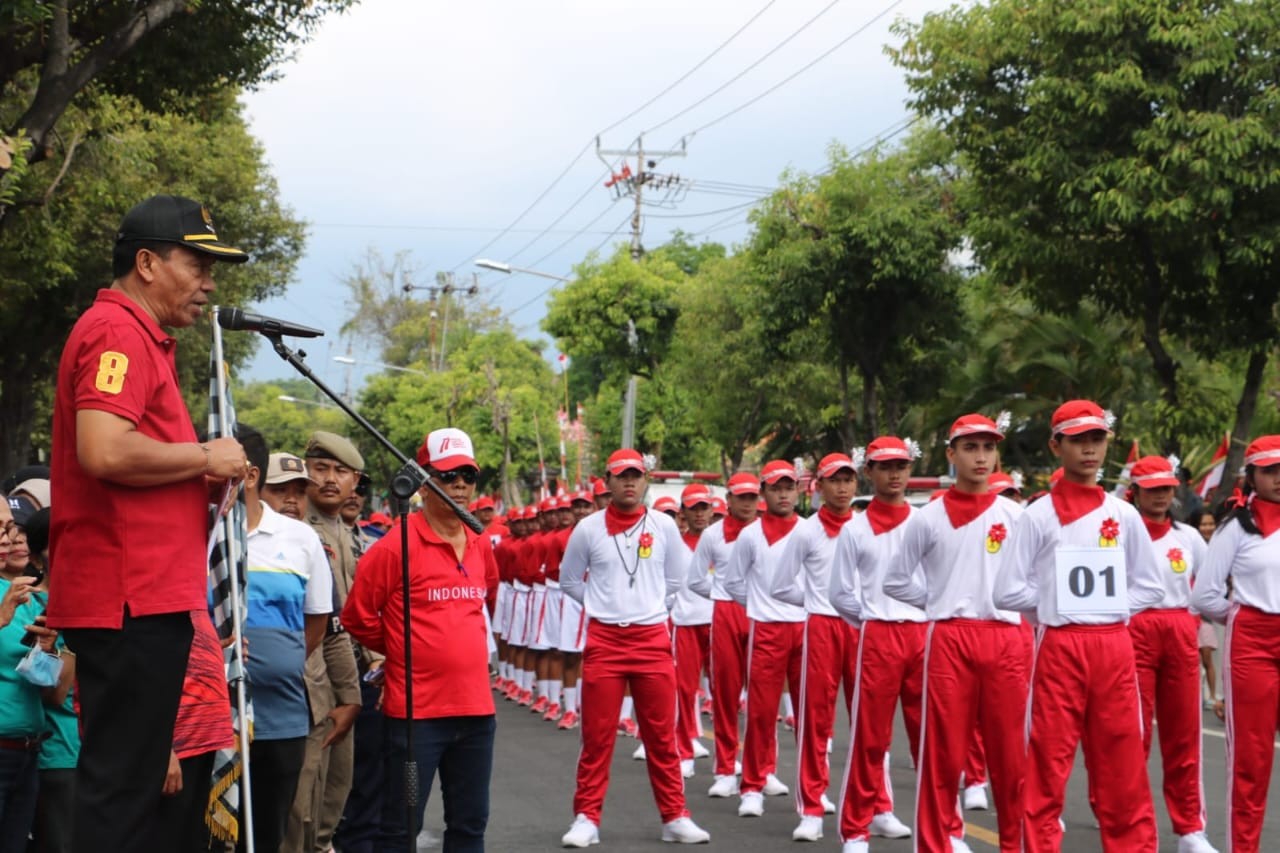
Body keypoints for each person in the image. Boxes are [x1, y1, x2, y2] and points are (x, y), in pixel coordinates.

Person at [46, 194, 249, 853]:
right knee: (124, 797)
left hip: (142, 597)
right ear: (147, 263)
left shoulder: (141, 338)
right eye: (197, 263)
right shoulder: (117, 333)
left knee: (127, 793)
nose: (209, 282)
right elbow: (103, 448)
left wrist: (199, 474)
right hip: (130, 598)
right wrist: (204, 456)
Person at [996, 400, 1164, 852]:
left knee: (1123, 767)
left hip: (1113, 647)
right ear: (1057, 446)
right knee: (1046, 765)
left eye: (1097, 439)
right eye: (1078, 441)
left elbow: (1151, 586)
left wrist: (1111, 607)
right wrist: (1054, 602)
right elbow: (1007, 592)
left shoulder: (1125, 514)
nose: (1089, 450)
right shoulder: (1036, 515)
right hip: (1059, 646)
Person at [342, 427, 499, 851]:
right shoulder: (395, 547)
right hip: (416, 719)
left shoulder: (481, 544)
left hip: (477, 714)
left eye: (468, 475)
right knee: (399, 829)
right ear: (424, 481)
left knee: (469, 827)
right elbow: (356, 617)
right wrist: (402, 647)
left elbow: (487, 600)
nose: (461, 485)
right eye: (449, 476)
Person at [884, 413, 1028, 853]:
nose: (980, 457)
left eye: (988, 448)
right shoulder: (928, 518)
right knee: (942, 755)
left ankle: (1016, 843)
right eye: (970, 447)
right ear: (951, 455)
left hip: (1004, 638)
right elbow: (895, 580)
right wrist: (936, 600)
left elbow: (1034, 579)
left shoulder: (1015, 515)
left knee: (1011, 759)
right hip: (948, 638)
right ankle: (936, 842)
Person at [559, 449, 711, 847]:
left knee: (662, 736)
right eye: (621, 476)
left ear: (646, 480)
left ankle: (675, 816)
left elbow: (677, 579)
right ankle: (586, 818)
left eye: (636, 475)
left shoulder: (663, 525)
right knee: (597, 736)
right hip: (605, 640)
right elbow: (570, 581)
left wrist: (650, 608)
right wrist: (603, 606)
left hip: (651, 639)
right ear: (607, 482)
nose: (629, 482)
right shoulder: (588, 529)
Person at [829, 437, 926, 853]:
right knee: (871, 738)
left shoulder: (927, 521)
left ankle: (944, 830)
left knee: (933, 739)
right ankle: (856, 829)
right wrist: (869, 617)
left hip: (923, 636)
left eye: (902, 466)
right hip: (878, 636)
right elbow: (839, 593)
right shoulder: (854, 528)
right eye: (886, 467)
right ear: (870, 472)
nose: (895, 474)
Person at [239, 433, 335, 853]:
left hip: (281, 717)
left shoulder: (300, 539)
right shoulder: (195, 533)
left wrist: (281, 659)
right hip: (212, 719)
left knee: (269, 829)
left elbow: (316, 619)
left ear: (248, 474)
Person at [1121, 455, 1219, 853]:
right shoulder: (1118, 534)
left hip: (1180, 630)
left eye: (1166, 488)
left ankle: (1190, 829)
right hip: (1134, 630)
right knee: (1133, 734)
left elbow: (1208, 585)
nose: (1161, 495)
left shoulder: (1189, 538)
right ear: (1136, 492)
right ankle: (1128, 821)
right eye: (1153, 489)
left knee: (1184, 735)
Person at [770, 453, 869, 841]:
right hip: (822, 627)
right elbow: (781, 585)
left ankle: (876, 804)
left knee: (868, 720)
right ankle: (811, 807)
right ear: (819, 487)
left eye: (848, 480)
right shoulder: (806, 532)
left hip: (861, 627)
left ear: (856, 485)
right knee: (815, 720)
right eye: (834, 480)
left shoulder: (865, 528)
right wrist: (815, 601)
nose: (842, 488)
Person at [1190, 435, 1280, 853]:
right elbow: (1205, 594)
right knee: (1251, 759)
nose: (1279, 479)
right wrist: (1242, 617)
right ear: (1252, 476)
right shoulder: (1236, 526)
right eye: (1270, 471)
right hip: (1253, 644)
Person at [286, 432, 365, 853]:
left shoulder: (342, 529)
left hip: (344, 676)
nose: (330, 480)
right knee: (304, 808)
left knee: (335, 795)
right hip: (310, 681)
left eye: (340, 471)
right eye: (320, 469)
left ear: (355, 481)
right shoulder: (300, 530)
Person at [721, 460, 804, 819]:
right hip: (767, 628)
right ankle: (752, 785)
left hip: (806, 628)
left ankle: (811, 791)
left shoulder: (810, 530)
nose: (783, 494)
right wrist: (758, 604)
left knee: (810, 714)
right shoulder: (750, 535)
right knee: (761, 712)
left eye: (789, 487)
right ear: (764, 494)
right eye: (776, 488)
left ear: (798, 491)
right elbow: (732, 582)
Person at [688, 472, 759, 797]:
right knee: (726, 694)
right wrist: (722, 594)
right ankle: (726, 768)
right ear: (728, 500)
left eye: (752, 497)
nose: (747, 503)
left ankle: (763, 768)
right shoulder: (714, 535)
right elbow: (696, 579)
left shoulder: (767, 531)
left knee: (762, 698)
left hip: (762, 614)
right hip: (727, 614)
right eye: (741, 497)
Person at [669, 484, 715, 777]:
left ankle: (726, 757)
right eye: (693, 508)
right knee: (684, 690)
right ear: (683, 512)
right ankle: (685, 750)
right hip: (685, 623)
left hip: (719, 623)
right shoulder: (675, 545)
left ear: (712, 510)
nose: (699, 514)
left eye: (704, 507)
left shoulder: (723, 541)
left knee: (725, 693)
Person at [1187, 508, 1221, 709]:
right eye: (1203, 524)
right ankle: (1194, 696)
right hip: (1187, 616)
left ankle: (1211, 695)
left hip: (1207, 617)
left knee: (1207, 657)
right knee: (1190, 661)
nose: (1207, 528)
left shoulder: (1220, 545)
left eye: (1211, 524)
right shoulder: (1187, 545)